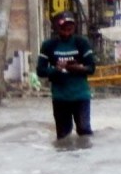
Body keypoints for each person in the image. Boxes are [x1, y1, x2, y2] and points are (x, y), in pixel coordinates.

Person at [36, 11, 96, 149]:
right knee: (63, 136)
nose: (67, 32)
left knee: (84, 132)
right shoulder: (48, 45)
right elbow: (40, 71)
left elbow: (91, 68)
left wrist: (76, 68)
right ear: (57, 28)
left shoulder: (81, 43)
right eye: (63, 28)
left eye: (70, 28)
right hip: (60, 97)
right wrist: (55, 70)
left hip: (80, 96)